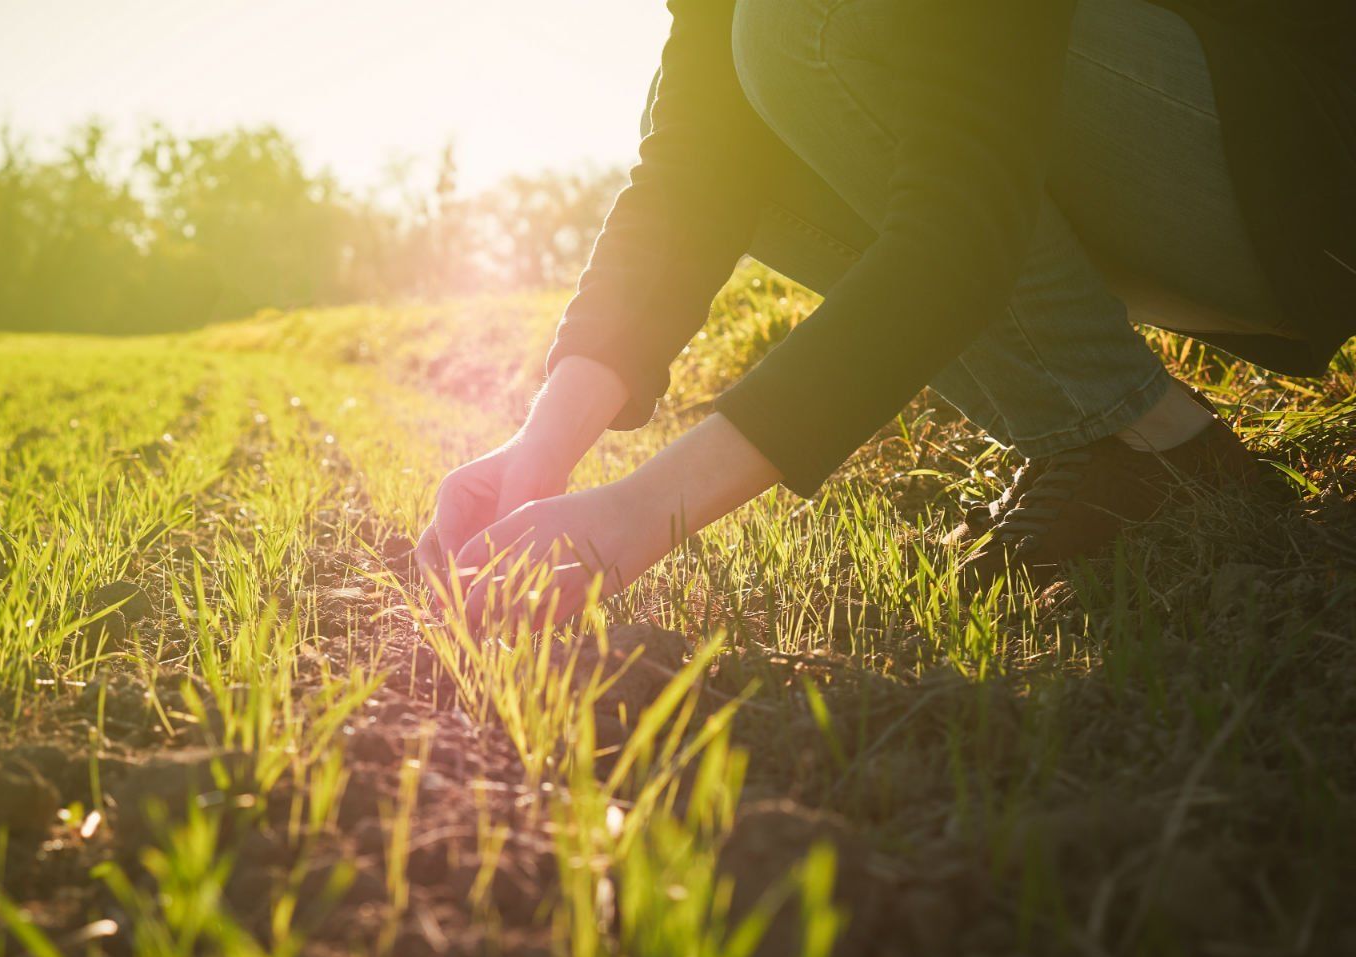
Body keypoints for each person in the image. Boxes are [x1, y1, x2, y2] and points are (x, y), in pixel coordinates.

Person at [415, 0, 1355, 624]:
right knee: (750, 84)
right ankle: (1144, 439)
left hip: (1306, 162)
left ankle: (1137, 435)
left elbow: (966, 224)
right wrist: (537, 451)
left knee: (803, 26)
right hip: (1202, 180)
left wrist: (636, 515)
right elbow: (695, 163)